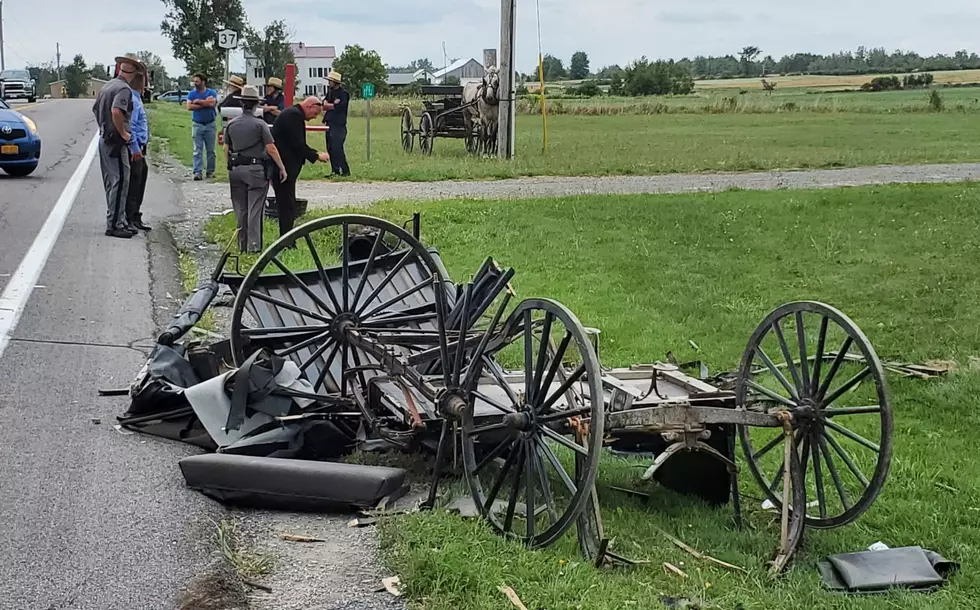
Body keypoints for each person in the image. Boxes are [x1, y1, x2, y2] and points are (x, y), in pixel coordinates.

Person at [223, 86, 287, 254]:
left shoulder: (231, 124)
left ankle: (241, 245)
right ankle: (254, 246)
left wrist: (229, 166)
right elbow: (271, 148)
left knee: (240, 209)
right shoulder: (260, 124)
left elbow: (226, 149)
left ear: (242, 103)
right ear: (255, 105)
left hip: (235, 169)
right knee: (255, 209)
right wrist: (281, 167)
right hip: (255, 170)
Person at [92, 53, 144, 239]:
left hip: (105, 138)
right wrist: (123, 134)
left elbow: (96, 110)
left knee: (111, 182)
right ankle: (115, 223)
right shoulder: (124, 89)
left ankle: (118, 219)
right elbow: (116, 110)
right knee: (121, 181)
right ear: (136, 72)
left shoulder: (108, 86)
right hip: (116, 142)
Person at [271, 96, 330, 237]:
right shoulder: (293, 116)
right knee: (287, 205)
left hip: (284, 166)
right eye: (315, 113)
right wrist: (316, 156)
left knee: (288, 203)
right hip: (283, 167)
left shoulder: (293, 114)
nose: (313, 117)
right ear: (309, 105)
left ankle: (287, 236)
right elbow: (297, 144)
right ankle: (286, 239)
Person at [126, 70, 151, 232]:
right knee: (135, 182)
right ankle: (131, 216)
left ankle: (135, 214)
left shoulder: (136, 98)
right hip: (135, 149)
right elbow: (132, 126)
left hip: (140, 146)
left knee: (140, 177)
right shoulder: (134, 101)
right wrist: (135, 148)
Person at [185, 73, 218, 181]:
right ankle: (197, 172)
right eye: (194, 81)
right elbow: (189, 106)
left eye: (197, 81)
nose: (195, 83)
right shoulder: (191, 93)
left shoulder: (212, 92)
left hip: (210, 124)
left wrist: (199, 102)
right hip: (197, 124)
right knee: (197, 150)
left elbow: (212, 104)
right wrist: (205, 103)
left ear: (203, 82)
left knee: (211, 150)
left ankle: (210, 171)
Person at [321, 71, 350, 176]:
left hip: (339, 124)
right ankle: (335, 170)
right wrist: (331, 105)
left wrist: (330, 105)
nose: (329, 83)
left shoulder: (344, 94)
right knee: (330, 147)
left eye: (330, 81)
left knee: (337, 147)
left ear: (335, 82)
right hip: (329, 122)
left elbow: (339, 107)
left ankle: (345, 170)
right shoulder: (330, 92)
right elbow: (324, 104)